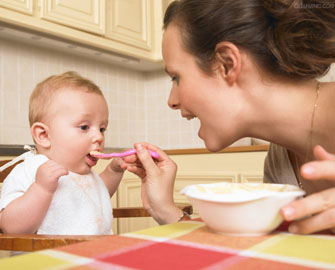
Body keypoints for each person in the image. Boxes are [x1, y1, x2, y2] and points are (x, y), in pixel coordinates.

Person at [126, 0, 335, 234]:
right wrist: (164, 209)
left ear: (227, 63)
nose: (171, 101)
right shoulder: (280, 157)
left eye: (176, 77)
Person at [0, 71, 132, 235]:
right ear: (44, 135)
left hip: (92, 255)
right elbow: (10, 227)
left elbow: (95, 197)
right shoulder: (29, 170)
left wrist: (114, 170)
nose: (98, 136)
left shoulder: (83, 173)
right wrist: (41, 189)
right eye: (84, 127)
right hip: (47, 259)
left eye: (102, 128)